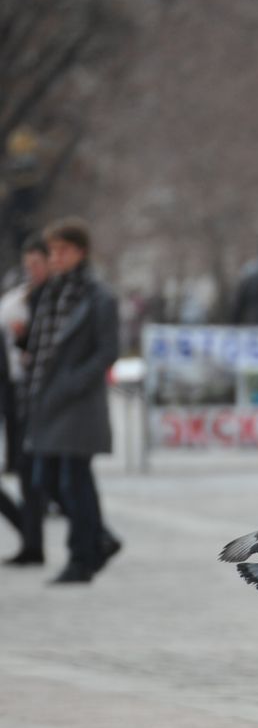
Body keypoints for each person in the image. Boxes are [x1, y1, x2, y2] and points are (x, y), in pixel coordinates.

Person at [20, 219, 122, 584]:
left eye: (62, 250)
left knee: (72, 478)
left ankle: (82, 556)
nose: (56, 257)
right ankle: (99, 540)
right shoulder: (48, 292)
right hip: (45, 398)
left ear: (80, 252)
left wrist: (71, 383)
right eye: (53, 251)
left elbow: (108, 350)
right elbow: (43, 342)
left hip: (77, 403)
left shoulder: (98, 296)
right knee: (46, 477)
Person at [0, 236, 49, 564]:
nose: (31, 271)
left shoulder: (50, 297)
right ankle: (30, 536)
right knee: (29, 470)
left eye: (36, 264)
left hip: (33, 396)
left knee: (40, 472)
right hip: (17, 392)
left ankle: (33, 539)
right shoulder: (21, 297)